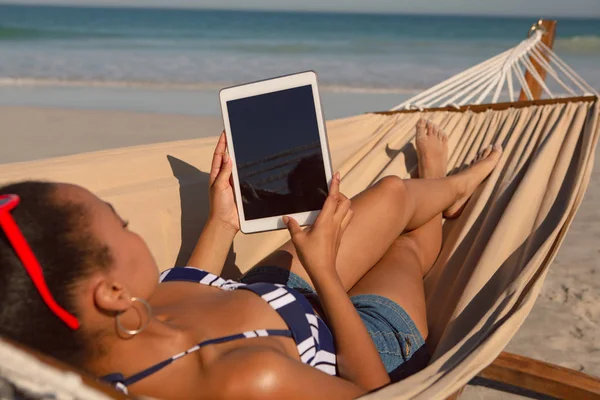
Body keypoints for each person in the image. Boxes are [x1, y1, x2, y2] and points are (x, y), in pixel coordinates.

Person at [0, 120, 501, 399]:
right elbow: (374, 394)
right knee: (406, 248)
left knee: (392, 193)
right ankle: (447, 193)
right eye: (122, 224)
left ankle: (445, 189)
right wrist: (324, 272)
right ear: (110, 293)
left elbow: (194, 283)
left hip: (268, 295)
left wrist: (221, 221)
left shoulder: (117, 323)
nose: (132, 227)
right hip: (361, 343)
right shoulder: (248, 379)